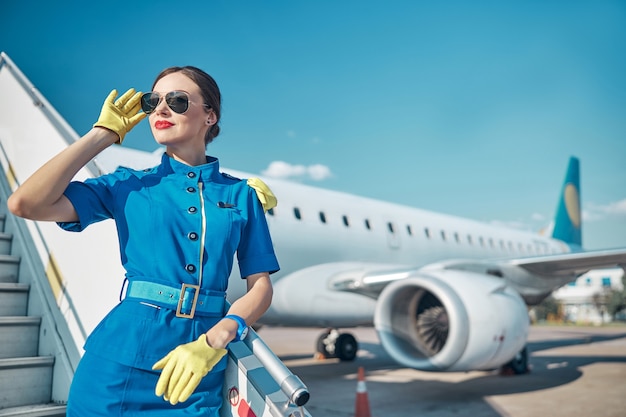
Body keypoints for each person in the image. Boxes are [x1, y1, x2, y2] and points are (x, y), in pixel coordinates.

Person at [7, 66, 279, 416]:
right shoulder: (126, 185)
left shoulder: (243, 195)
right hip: (118, 362)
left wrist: (216, 339)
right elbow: (25, 203)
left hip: (195, 369)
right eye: (153, 102)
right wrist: (102, 134)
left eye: (177, 100)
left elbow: (261, 288)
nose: (161, 109)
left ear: (210, 115)